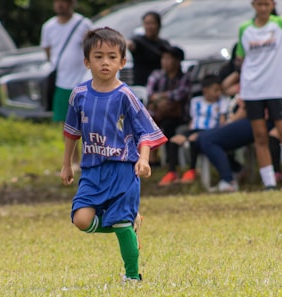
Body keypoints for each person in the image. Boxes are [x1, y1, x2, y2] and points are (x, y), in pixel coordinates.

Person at [60, 27, 167, 282]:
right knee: (81, 220)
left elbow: (145, 132)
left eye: (111, 56)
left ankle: (132, 277)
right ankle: (130, 224)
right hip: (92, 170)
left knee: (119, 222)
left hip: (123, 168)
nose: (105, 62)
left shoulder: (126, 95)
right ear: (87, 61)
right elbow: (71, 132)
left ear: (122, 61)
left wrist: (143, 158)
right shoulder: (79, 94)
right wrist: (66, 165)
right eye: (98, 56)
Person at [236, 0, 282, 190]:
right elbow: (241, 57)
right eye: (259, 4)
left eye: (267, 4)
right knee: (260, 136)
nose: (263, 8)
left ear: (272, 5)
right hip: (252, 90)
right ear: (253, 5)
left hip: (276, 89)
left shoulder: (281, 24)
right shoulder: (245, 28)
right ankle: (269, 182)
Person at [40, 0, 92, 168]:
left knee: (88, 122)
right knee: (66, 124)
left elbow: (92, 48)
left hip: (82, 80)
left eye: (64, 1)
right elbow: (48, 52)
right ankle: (74, 161)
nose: (60, 5)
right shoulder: (48, 27)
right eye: (57, 1)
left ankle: (90, 158)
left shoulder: (84, 24)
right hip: (61, 82)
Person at [158, 74, 228, 186]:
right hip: (194, 129)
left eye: (219, 90)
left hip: (210, 131)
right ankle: (172, 172)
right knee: (174, 140)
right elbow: (192, 120)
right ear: (205, 91)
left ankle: (191, 170)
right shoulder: (196, 102)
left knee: (193, 140)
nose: (218, 93)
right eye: (215, 90)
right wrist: (185, 134)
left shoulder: (221, 102)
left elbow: (222, 121)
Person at [146, 45, 191, 165]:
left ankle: (171, 161)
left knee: (168, 125)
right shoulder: (157, 75)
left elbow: (180, 95)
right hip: (158, 111)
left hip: (178, 115)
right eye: (163, 58)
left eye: (168, 58)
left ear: (177, 61)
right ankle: (152, 157)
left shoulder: (184, 77)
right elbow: (150, 93)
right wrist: (161, 101)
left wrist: (162, 97)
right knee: (148, 121)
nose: (164, 62)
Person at [127, 11, 171, 86]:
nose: (149, 27)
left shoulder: (165, 44)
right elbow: (131, 44)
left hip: (161, 86)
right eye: (147, 23)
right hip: (142, 86)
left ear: (159, 25)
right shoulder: (139, 41)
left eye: (152, 23)